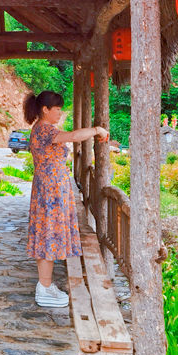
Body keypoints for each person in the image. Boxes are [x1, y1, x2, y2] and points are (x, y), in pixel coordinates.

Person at [24, 90, 108, 308]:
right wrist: (96, 130)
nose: (60, 113)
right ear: (45, 110)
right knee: (47, 234)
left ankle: (46, 284)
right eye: (58, 109)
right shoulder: (44, 129)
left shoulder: (45, 129)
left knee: (48, 234)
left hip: (51, 188)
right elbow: (72, 136)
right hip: (50, 190)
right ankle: (43, 287)